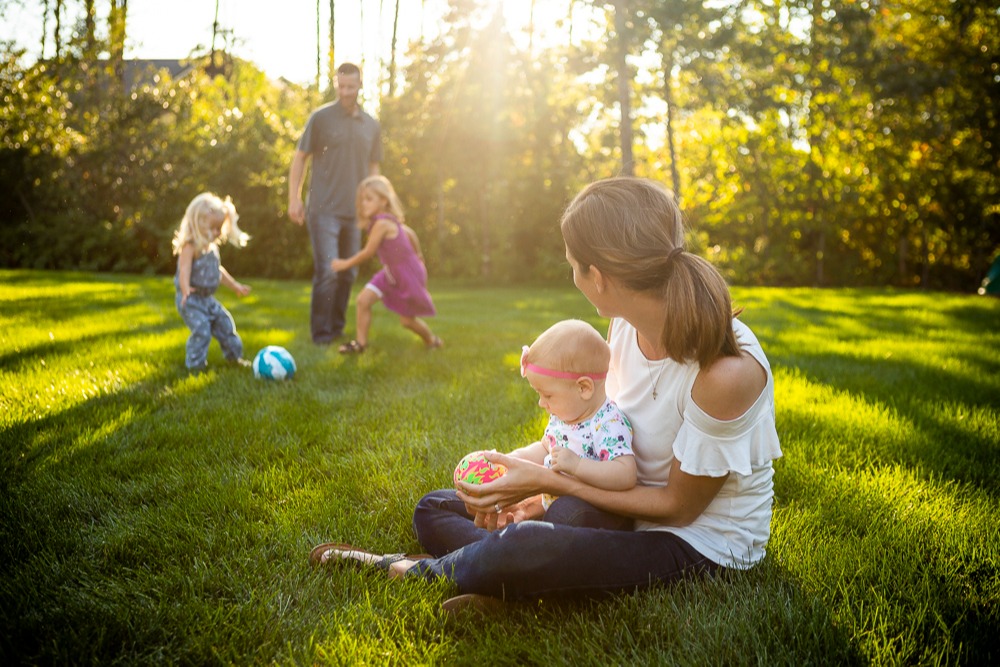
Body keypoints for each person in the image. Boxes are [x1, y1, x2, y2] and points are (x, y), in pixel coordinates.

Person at [309, 177, 782, 613]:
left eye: (573, 265)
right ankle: (496, 571)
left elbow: (680, 507)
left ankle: (411, 569)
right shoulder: (623, 325)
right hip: (613, 508)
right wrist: (527, 492)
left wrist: (548, 483)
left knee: (529, 543)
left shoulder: (725, 372)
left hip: (694, 544)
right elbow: (594, 431)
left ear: (598, 277)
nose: (573, 276)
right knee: (436, 507)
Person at [501, 319, 634, 529]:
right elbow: (545, 448)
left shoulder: (607, 423)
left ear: (583, 388)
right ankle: (512, 542)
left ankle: (513, 545)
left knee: (565, 512)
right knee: (430, 506)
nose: (541, 403)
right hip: (554, 509)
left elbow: (625, 474)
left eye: (547, 395)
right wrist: (511, 460)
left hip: (596, 515)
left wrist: (578, 465)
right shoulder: (565, 415)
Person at [288, 62, 382, 345]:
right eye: (341, 86)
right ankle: (321, 334)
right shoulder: (321, 118)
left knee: (349, 272)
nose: (345, 92)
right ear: (336, 83)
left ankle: (337, 328)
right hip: (323, 208)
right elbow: (300, 157)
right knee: (328, 272)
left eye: (351, 87)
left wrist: (375, 208)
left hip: (355, 213)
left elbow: (374, 168)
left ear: (360, 85)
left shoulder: (371, 125)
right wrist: (294, 197)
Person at [331, 175, 442, 353]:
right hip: (390, 273)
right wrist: (418, 256)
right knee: (363, 300)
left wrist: (344, 264)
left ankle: (432, 340)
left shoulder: (382, 223)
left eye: (368, 199)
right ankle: (360, 344)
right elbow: (409, 232)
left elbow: (368, 252)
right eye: (361, 199)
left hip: (406, 275)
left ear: (383, 200)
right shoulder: (388, 222)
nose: (363, 203)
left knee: (407, 321)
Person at [172, 192, 251, 371]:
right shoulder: (190, 246)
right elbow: (184, 269)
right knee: (202, 330)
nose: (217, 233)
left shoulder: (212, 248)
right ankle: (195, 366)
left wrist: (235, 285)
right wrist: (185, 290)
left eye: (219, 228)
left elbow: (219, 272)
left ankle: (234, 358)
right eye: (213, 228)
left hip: (207, 299)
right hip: (191, 299)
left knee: (226, 324)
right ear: (198, 222)